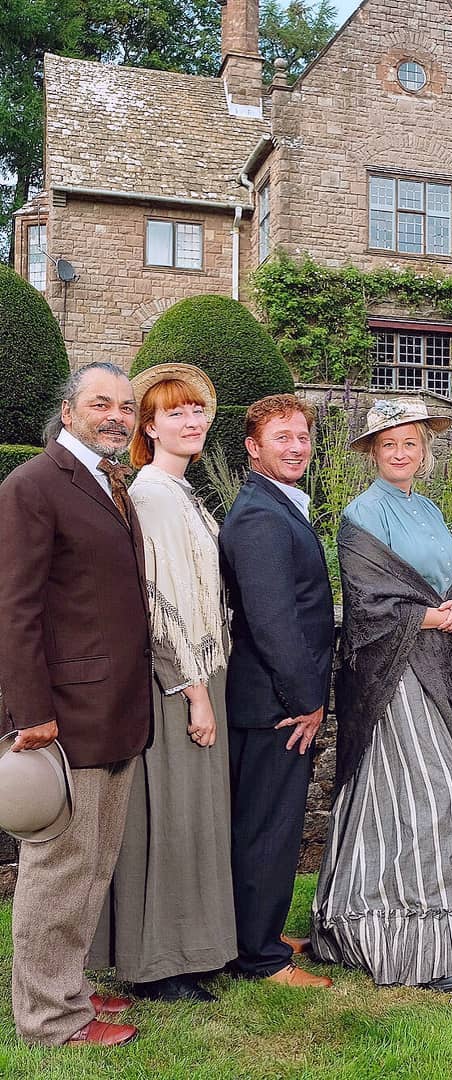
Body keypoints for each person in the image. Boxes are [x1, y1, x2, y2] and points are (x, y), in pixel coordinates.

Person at [310, 398, 452, 991]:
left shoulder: (432, 510)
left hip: (441, 665)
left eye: (410, 443)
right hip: (394, 674)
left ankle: (421, 931)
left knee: (438, 793)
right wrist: (432, 619)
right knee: (423, 795)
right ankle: (398, 933)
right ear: (370, 451)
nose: (400, 452)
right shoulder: (361, 513)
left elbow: (450, 576)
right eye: (388, 444)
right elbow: (368, 600)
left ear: (425, 450)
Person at [0, 362, 151, 1047]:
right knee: (58, 868)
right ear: (70, 412)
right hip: (63, 718)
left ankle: (67, 988)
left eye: (125, 405)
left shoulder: (111, 482)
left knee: (91, 866)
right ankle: (47, 1020)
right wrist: (31, 714)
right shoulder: (33, 486)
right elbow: (14, 608)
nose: (117, 415)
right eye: (101, 403)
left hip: (115, 709)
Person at [89, 364, 235, 1001]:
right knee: (169, 814)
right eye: (176, 412)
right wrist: (193, 689)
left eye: (198, 409)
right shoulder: (149, 492)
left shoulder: (181, 491)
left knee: (197, 814)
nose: (192, 420)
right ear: (149, 426)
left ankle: (193, 948)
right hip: (176, 678)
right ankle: (157, 963)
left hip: (205, 669)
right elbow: (157, 601)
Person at [219, 394, 335, 989]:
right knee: (268, 828)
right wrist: (307, 700)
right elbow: (272, 622)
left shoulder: (275, 505)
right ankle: (261, 958)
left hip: (273, 701)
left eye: (302, 437)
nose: (295, 448)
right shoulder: (261, 517)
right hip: (276, 706)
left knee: (267, 824)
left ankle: (256, 935)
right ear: (253, 448)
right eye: (281, 438)